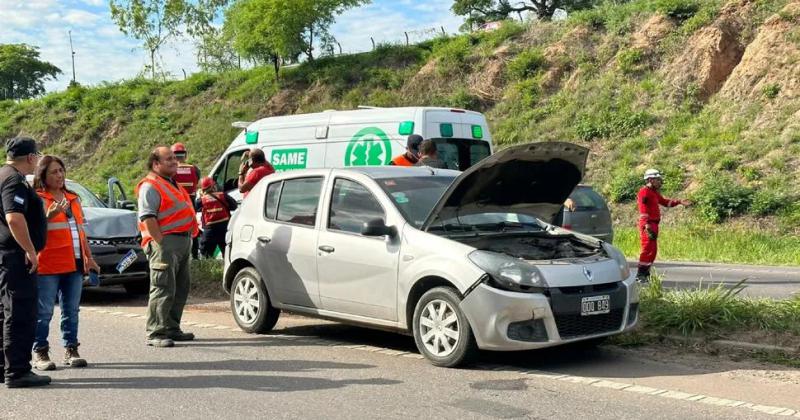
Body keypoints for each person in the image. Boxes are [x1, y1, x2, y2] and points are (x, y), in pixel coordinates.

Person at [31, 156, 100, 371]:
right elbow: (32, 231)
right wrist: (48, 215)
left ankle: (71, 348)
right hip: (48, 264)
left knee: (71, 310)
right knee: (44, 312)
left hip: (75, 263)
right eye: (54, 172)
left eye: (61, 170)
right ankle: (40, 351)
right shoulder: (37, 199)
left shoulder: (73, 199)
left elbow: (80, 231)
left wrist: (89, 257)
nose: (60, 175)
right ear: (43, 175)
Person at [135, 146, 199, 348]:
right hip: (165, 244)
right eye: (169, 159)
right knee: (163, 287)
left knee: (180, 288)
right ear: (156, 164)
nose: (175, 162)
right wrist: (160, 241)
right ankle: (156, 332)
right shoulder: (151, 185)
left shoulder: (171, 184)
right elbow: (148, 216)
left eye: (175, 158)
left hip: (182, 241)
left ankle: (172, 328)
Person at [0, 137, 50, 388]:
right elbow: (14, 219)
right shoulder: (14, 180)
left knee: (6, 311)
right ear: (30, 157)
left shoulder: (2, 174)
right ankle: (18, 371)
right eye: (37, 156)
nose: (37, 161)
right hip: (15, 257)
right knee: (19, 313)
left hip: (6, 254)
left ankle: (5, 367)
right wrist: (30, 250)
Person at [636, 169, 690, 282]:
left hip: (654, 224)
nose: (660, 182)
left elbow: (665, 202)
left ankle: (646, 274)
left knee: (653, 251)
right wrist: (646, 225)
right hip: (648, 225)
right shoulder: (644, 192)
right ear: (650, 180)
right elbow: (643, 210)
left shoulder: (654, 192)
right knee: (647, 249)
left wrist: (679, 202)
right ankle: (641, 275)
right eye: (658, 179)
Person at [171, 143, 201, 260]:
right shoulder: (194, 169)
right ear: (185, 155)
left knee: (176, 230)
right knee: (193, 229)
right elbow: (197, 182)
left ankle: (178, 256)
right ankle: (194, 256)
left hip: (175, 203)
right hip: (191, 202)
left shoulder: (172, 170)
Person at [196, 177, 238, 259]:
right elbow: (234, 206)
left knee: (205, 255)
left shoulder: (202, 200)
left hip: (209, 231)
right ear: (213, 186)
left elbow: (195, 208)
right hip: (224, 228)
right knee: (227, 253)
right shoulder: (223, 196)